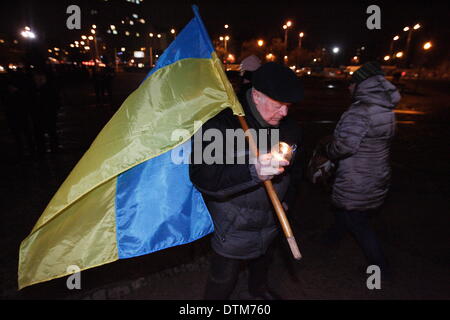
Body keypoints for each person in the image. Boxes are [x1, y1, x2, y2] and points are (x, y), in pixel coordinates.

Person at [189, 62, 304, 300]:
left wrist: (288, 201)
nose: (284, 113)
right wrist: (253, 171)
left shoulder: (289, 127)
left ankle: (257, 293)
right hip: (234, 227)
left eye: (289, 106)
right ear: (256, 95)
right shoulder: (221, 124)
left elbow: (296, 172)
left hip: (271, 221)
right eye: (278, 105)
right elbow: (203, 177)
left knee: (262, 266)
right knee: (223, 279)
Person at [319, 61, 401, 279]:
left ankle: (380, 266)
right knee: (347, 211)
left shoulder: (361, 111)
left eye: (352, 83)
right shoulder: (386, 109)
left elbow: (344, 146)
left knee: (357, 220)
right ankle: (330, 239)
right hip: (377, 172)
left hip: (357, 177)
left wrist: (327, 149)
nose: (348, 87)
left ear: (362, 85)